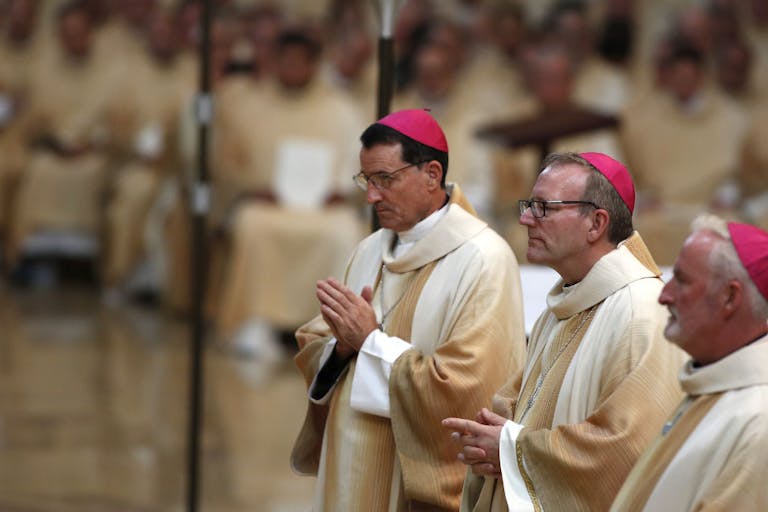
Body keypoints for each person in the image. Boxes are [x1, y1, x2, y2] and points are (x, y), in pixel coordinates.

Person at [291, 109, 526, 511]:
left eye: (385, 179)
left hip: (416, 481)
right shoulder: (371, 249)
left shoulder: (483, 259)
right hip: (348, 464)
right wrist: (342, 349)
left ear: (432, 174)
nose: (371, 196)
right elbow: (319, 343)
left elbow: (471, 386)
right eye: (366, 180)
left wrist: (370, 342)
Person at [443, 151, 685, 511]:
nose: (525, 219)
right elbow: (526, 407)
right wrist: (492, 436)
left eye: (543, 208)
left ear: (596, 223)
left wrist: (511, 450)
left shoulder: (641, 312)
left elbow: (629, 451)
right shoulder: (561, 307)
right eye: (529, 205)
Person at [610, 215, 768, 511]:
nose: (664, 296)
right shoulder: (714, 381)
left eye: (682, 280)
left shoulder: (758, 419)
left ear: (729, 297)